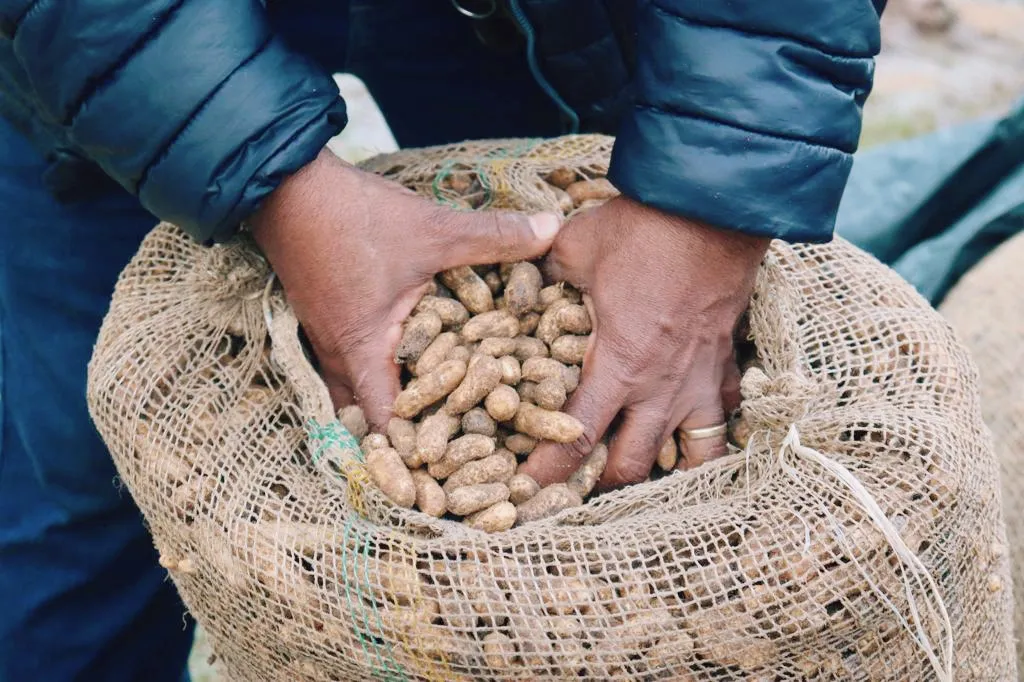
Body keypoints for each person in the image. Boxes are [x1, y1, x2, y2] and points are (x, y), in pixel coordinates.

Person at [0, 1, 885, 679]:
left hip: (541, 22)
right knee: (85, 477)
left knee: (626, 437)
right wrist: (270, 185)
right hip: (103, 44)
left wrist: (706, 195)